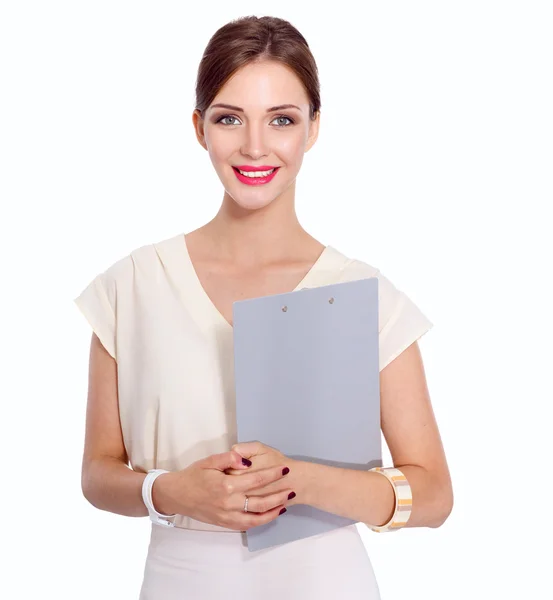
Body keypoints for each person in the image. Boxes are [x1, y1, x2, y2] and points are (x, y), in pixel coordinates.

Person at [74, 15, 453, 600]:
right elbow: (98, 473)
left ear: (314, 128)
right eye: (230, 118)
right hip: (181, 583)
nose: (255, 146)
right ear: (200, 127)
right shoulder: (133, 285)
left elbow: (433, 495)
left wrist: (300, 481)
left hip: (327, 583)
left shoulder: (364, 295)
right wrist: (169, 491)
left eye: (281, 120)